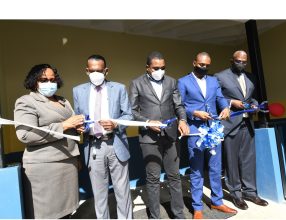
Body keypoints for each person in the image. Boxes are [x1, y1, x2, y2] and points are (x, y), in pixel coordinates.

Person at [14, 64, 84, 219]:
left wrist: (77, 128)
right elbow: (25, 134)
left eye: (52, 79)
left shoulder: (63, 100)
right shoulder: (26, 101)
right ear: (34, 81)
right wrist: (64, 125)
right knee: (48, 213)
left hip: (69, 163)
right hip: (45, 167)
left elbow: (70, 125)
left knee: (67, 212)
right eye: (43, 80)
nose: (49, 83)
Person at [129, 51, 190, 219]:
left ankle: (178, 214)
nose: (160, 71)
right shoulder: (136, 83)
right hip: (149, 139)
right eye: (156, 68)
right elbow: (132, 111)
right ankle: (155, 216)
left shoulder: (172, 81)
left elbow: (179, 105)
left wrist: (183, 120)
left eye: (163, 67)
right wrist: (147, 122)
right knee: (153, 178)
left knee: (174, 176)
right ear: (147, 68)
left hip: (171, 136)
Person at [178, 52, 237, 219]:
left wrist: (225, 107)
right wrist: (194, 113)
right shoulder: (183, 81)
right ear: (194, 62)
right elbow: (180, 105)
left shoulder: (213, 81)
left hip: (213, 130)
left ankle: (217, 201)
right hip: (195, 131)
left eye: (207, 65)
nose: (204, 67)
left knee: (215, 167)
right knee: (196, 170)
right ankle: (197, 208)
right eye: (201, 64)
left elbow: (219, 98)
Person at [73, 54, 133, 219]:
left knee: (122, 191)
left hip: (116, 143)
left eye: (99, 70)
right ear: (87, 71)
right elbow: (78, 118)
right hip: (93, 146)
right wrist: (80, 127)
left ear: (106, 71)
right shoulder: (78, 91)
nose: (96, 74)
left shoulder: (119, 88)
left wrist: (116, 123)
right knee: (99, 193)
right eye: (92, 70)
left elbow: (129, 115)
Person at [214, 50, 269, 210]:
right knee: (232, 161)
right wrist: (231, 102)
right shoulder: (220, 76)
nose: (242, 64)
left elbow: (251, 97)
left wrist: (254, 104)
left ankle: (250, 192)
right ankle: (236, 195)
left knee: (248, 160)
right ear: (232, 60)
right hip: (230, 124)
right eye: (239, 61)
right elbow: (216, 98)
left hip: (248, 123)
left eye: (244, 62)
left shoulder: (251, 77)